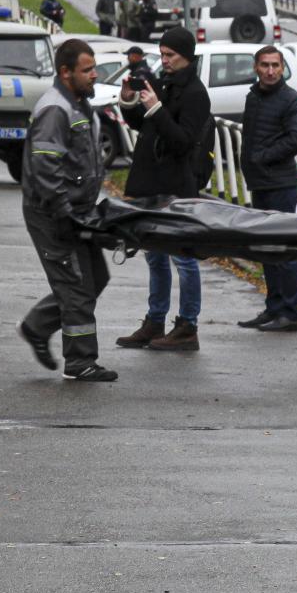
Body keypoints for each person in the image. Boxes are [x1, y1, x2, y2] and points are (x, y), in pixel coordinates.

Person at [17, 38, 116, 381]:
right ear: (66, 72)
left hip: (77, 212)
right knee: (75, 285)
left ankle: (36, 326)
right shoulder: (55, 108)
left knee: (94, 278)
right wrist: (62, 211)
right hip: (54, 213)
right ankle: (80, 362)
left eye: (94, 69)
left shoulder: (78, 103)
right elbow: (45, 167)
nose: (94, 76)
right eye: (87, 70)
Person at [115, 26, 211, 352]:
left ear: (186, 56)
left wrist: (156, 107)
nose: (164, 60)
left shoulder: (196, 94)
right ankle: (155, 321)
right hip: (149, 181)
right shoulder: (164, 83)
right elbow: (144, 125)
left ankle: (188, 325)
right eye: (162, 54)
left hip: (176, 187)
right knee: (155, 257)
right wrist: (129, 101)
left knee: (183, 258)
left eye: (170, 55)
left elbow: (183, 141)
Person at [237, 45, 297, 333]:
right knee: (266, 249)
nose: (270, 71)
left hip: (280, 183)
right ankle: (274, 307)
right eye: (265, 65)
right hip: (260, 183)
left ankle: (290, 313)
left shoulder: (291, 100)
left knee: (282, 248)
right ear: (256, 67)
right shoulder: (254, 97)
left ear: (282, 68)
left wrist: (263, 157)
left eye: (275, 66)